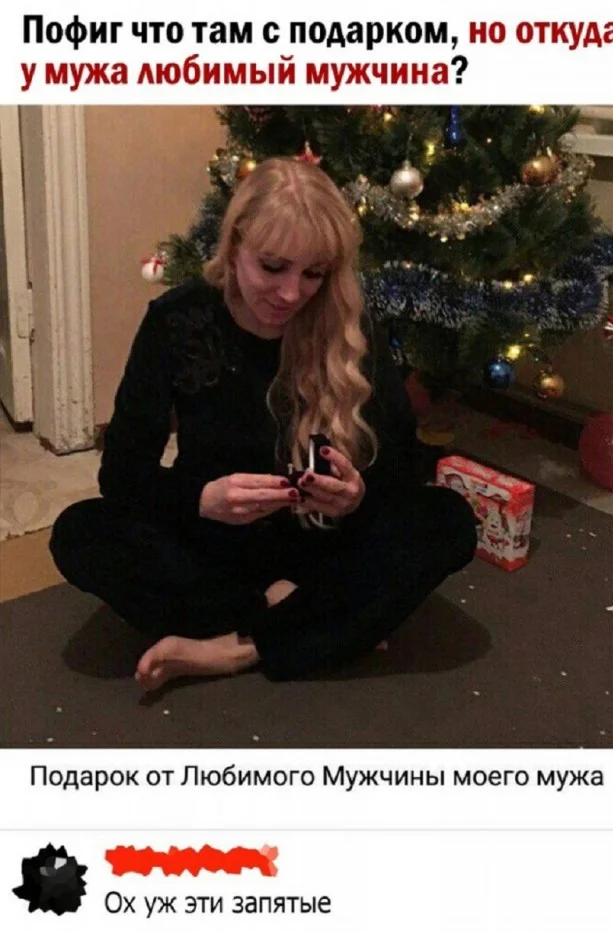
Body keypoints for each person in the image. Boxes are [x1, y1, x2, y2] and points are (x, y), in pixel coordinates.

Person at [50, 156, 477, 692]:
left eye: (313, 274)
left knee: (447, 520)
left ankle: (236, 647)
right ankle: (319, 623)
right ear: (235, 248)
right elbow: (121, 474)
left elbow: (402, 469)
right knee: (80, 533)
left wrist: (356, 496)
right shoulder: (178, 321)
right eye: (273, 267)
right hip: (217, 550)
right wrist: (201, 499)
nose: (291, 294)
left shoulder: (348, 324)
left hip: (323, 547)